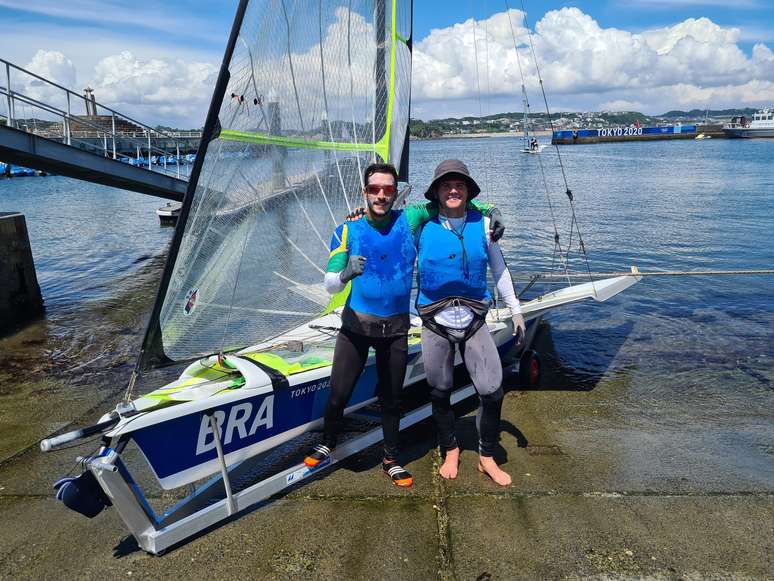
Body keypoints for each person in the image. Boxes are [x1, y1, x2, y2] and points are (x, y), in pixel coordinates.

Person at [303, 163, 504, 488]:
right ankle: (329, 441)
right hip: (356, 326)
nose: (381, 195)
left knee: (392, 398)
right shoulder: (347, 229)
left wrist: (492, 209)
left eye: (387, 189)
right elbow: (329, 284)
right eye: (374, 189)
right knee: (339, 393)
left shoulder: (410, 219)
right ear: (365, 192)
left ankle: (391, 459)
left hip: (395, 328)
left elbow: (453, 201)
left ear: (396, 193)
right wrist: (344, 275)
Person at [416, 159, 526, 487]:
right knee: (439, 391)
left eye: (460, 185)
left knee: (492, 391)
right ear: (436, 192)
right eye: (446, 185)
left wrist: (516, 311)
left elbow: (500, 270)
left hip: (474, 318)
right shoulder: (421, 226)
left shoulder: (484, 225)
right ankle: (450, 448)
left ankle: (486, 456)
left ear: (468, 192)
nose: (453, 190)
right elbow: (394, 256)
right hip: (435, 319)